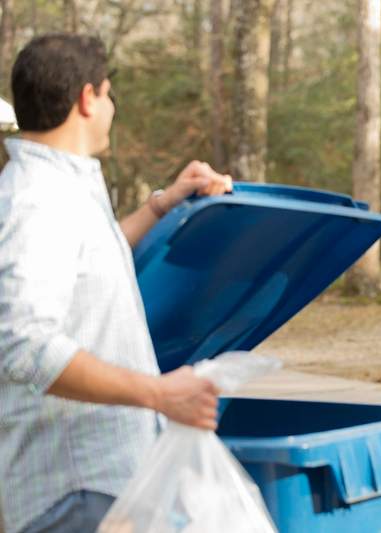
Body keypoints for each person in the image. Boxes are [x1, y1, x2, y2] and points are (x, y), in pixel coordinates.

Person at [0, 34, 234, 533]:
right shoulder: (37, 199)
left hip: (109, 481)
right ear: (87, 98)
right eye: (107, 92)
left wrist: (161, 204)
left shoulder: (63, 184)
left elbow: (94, 259)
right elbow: (23, 345)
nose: (111, 105)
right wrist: (159, 394)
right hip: (74, 490)